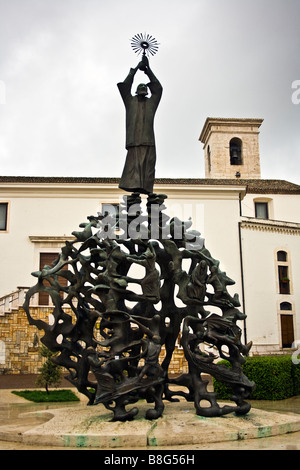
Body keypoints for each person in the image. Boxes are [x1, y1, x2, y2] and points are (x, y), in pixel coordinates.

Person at [117, 56, 162, 194]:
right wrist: (135, 70)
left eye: (144, 87)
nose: (143, 88)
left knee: (148, 167)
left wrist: (148, 71)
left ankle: (145, 190)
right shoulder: (130, 102)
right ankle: (134, 191)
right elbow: (124, 87)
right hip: (134, 141)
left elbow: (158, 89)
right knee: (133, 169)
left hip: (148, 140)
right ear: (136, 90)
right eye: (140, 86)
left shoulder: (151, 103)